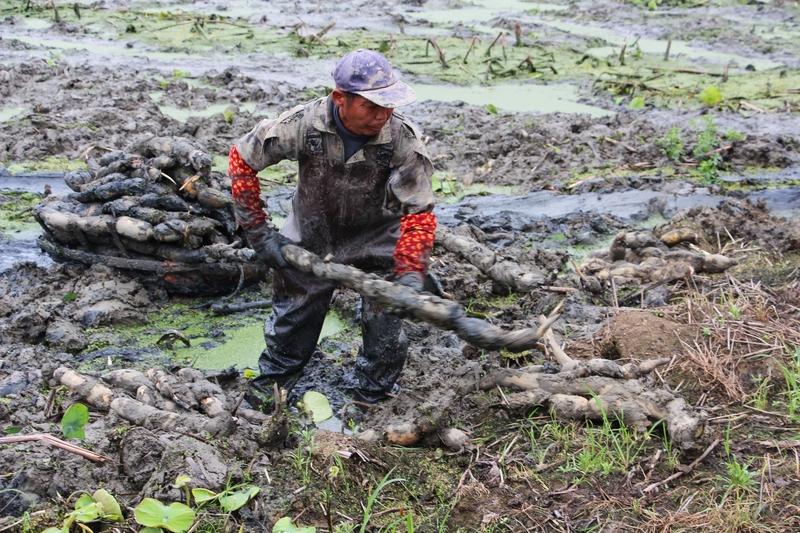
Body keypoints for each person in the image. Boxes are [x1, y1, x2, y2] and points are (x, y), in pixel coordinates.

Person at [227, 49, 436, 407]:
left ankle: (372, 398)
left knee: (385, 332)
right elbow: (241, 159)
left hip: (377, 242)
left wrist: (411, 272)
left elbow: (418, 211)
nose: (381, 116)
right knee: (291, 327)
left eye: (387, 106)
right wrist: (258, 231)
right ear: (341, 99)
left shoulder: (402, 139)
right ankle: (269, 396)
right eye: (371, 107)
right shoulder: (302, 125)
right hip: (310, 239)